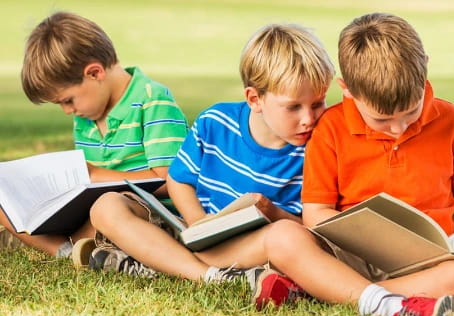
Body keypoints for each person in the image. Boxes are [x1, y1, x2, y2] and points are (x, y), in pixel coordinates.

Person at [253, 12, 454, 316]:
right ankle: (381, 299)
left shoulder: (453, 121)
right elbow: (315, 213)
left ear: (424, 75)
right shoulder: (331, 129)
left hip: (424, 260)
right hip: (350, 255)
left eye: (410, 112)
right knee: (284, 236)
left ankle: (327, 291)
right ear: (347, 89)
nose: (398, 128)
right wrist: (373, 238)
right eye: (381, 120)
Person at [79, 23, 335, 285]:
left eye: (318, 103)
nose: (308, 119)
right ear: (254, 99)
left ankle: (163, 264)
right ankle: (209, 276)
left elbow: (314, 228)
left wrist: (273, 213)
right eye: (293, 107)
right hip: (194, 232)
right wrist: (197, 221)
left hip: (253, 246)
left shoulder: (321, 143)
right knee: (107, 206)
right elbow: (178, 180)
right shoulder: (216, 121)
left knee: (284, 238)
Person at [0, 11, 188, 259]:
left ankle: (76, 244)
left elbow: (172, 182)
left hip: (148, 212)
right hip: (95, 209)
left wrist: (95, 175)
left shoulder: (152, 100)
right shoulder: (86, 117)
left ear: (95, 73)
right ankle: (65, 251)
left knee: (109, 206)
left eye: (68, 100)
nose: (68, 111)